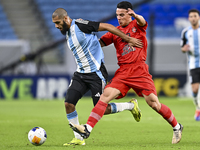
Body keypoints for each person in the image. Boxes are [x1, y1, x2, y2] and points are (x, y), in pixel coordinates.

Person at [69, 1, 183, 144]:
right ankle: (88, 128)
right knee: (105, 97)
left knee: (154, 104)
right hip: (123, 72)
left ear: (129, 14)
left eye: (122, 15)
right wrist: (83, 40)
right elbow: (99, 44)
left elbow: (142, 21)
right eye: (117, 15)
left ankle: (177, 127)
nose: (119, 18)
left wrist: (136, 16)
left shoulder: (137, 26)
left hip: (139, 70)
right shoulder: (115, 32)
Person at [52, 8, 143, 146]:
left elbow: (107, 26)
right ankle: (78, 138)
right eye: (54, 23)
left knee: (102, 109)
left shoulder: (80, 25)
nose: (56, 26)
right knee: (68, 104)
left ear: (66, 18)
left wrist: (127, 38)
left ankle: (130, 106)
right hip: (80, 74)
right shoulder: (66, 32)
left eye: (58, 22)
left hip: (96, 73)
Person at [180, 9, 200, 121]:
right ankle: (198, 107)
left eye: (195, 16)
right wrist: (184, 49)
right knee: (195, 89)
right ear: (189, 18)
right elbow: (182, 48)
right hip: (193, 64)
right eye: (191, 16)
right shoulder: (186, 32)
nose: (193, 18)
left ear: (198, 17)